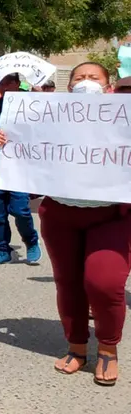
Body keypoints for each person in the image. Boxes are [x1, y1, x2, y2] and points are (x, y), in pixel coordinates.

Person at [39, 62, 130, 386]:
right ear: (69, 86)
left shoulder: (125, 122)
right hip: (61, 214)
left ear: (108, 88)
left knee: (104, 283)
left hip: (110, 216)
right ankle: (76, 346)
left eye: (94, 78)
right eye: (80, 78)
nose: (86, 83)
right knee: (69, 283)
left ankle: (108, 347)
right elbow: (24, 149)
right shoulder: (50, 122)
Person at [0, 73, 41, 265]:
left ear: (17, 84)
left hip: (20, 168)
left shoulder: (31, 106)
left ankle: (31, 241)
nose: (4, 86)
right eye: (0, 82)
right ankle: (1, 249)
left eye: (8, 81)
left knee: (20, 210)